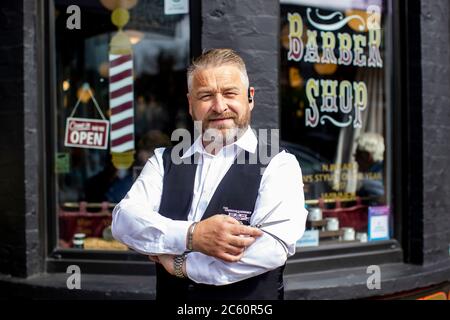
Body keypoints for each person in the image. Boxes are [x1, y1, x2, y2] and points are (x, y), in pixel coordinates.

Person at [112, 48, 307, 300]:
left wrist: (180, 265)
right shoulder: (164, 160)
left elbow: (270, 248)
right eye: (205, 96)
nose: (219, 106)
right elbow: (124, 221)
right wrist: (193, 235)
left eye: (229, 93)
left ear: (250, 98)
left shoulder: (280, 164)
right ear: (191, 105)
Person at [354, 132, 385, 199]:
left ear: (367, 156)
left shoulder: (372, 181)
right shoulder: (382, 172)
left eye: (357, 155)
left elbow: (377, 206)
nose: (355, 159)